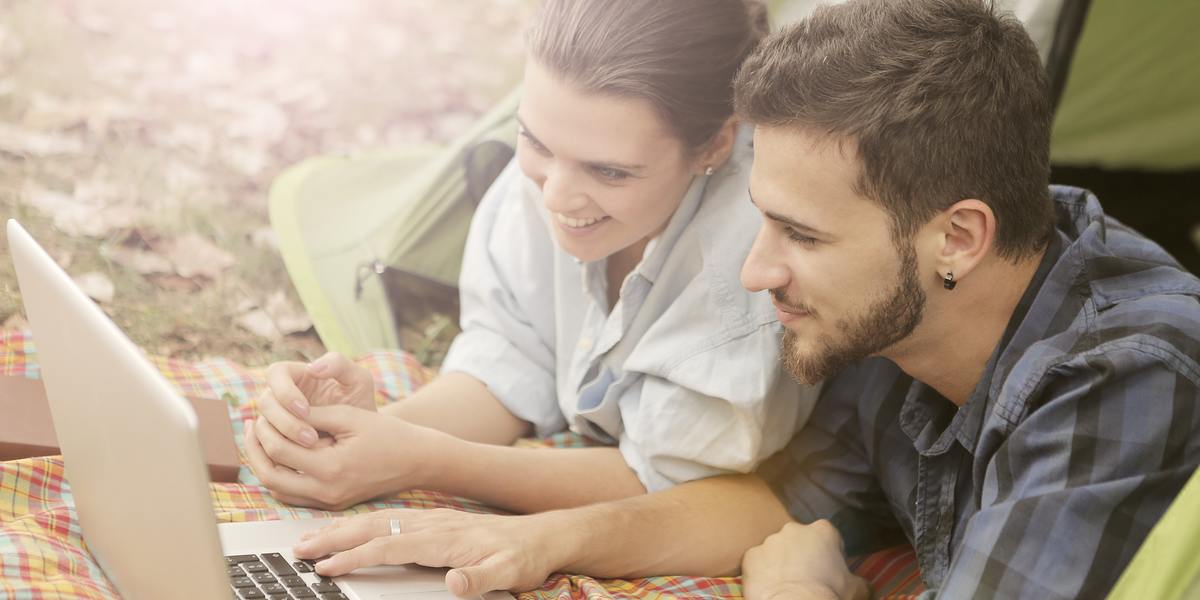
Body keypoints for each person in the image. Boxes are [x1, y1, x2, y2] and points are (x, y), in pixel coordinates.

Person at [282, 0, 1200, 598]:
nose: (757, 273)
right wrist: (540, 544)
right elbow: (774, 505)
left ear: (957, 238)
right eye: (763, 223)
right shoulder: (900, 323)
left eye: (801, 235)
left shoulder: (1120, 380)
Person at [243, 0, 817, 516]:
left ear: (716, 144)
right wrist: (370, 432)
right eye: (536, 142)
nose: (555, 196)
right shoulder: (555, 170)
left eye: (609, 171)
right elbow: (513, 361)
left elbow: (667, 483)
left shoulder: (754, 272)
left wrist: (424, 460)